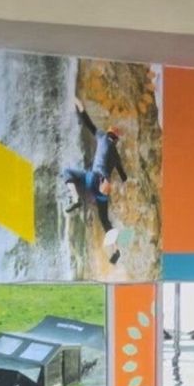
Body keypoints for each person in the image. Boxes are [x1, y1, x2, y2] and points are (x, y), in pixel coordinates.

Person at [63, 96, 128, 264]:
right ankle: (116, 251)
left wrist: (79, 103)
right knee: (105, 220)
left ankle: (76, 198)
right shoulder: (116, 155)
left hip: (93, 179)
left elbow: (87, 122)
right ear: (116, 140)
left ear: (108, 133)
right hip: (104, 187)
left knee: (68, 171)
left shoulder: (100, 136)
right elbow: (123, 176)